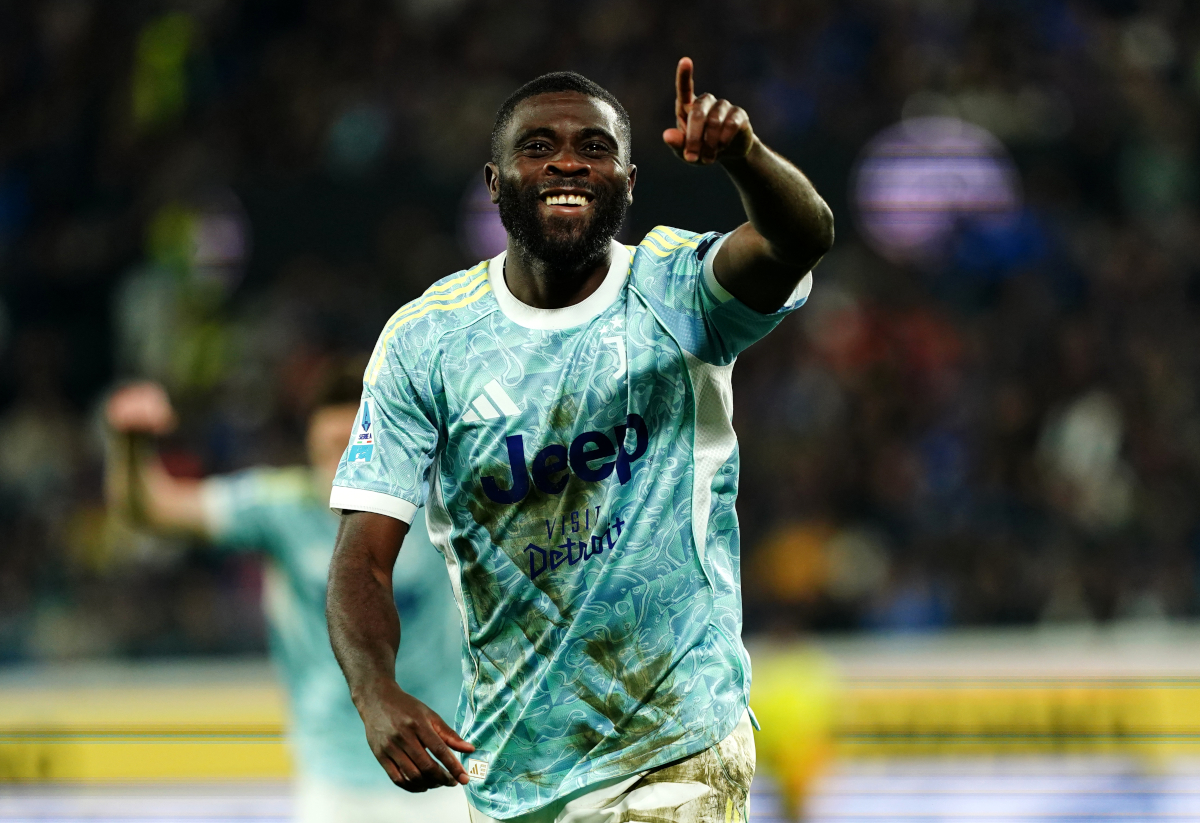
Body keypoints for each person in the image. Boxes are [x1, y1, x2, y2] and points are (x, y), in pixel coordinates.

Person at [326, 57, 834, 823]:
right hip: (513, 772)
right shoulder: (426, 342)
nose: (568, 159)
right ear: (495, 184)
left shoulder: (680, 290)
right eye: (538, 145)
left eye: (595, 147)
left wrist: (746, 157)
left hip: (678, 742)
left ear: (630, 181)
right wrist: (375, 691)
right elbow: (361, 556)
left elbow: (802, 237)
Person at [103, 364, 470, 823]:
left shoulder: (443, 503)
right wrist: (131, 444)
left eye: (355, 447)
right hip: (334, 781)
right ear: (310, 446)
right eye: (330, 447)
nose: (343, 465)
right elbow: (153, 509)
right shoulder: (281, 507)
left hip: (442, 770)